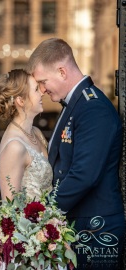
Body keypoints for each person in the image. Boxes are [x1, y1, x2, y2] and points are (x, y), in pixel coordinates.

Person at [26, 37, 125, 269]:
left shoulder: (93, 108)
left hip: (95, 228)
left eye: (43, 81)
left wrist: (43, 213)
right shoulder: (77, 104)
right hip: (79, 223)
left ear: (61, 71)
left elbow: (84, 175)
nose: (41, 89)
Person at [0, 69, 52, 201]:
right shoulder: (14, 146)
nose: (42, 92)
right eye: (36, 89)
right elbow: (10, 208)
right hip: (31, 221)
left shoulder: (36, 133)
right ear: (21, 101)